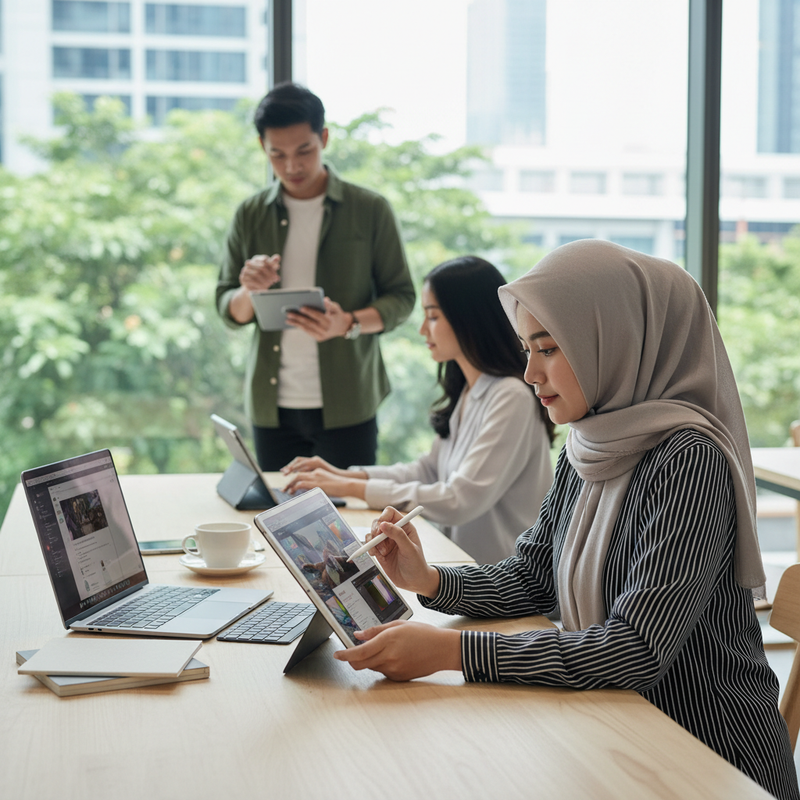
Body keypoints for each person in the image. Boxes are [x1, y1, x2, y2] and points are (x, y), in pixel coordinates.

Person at [331, 240, 800, 800]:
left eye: (548, 348)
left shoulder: (687, 460)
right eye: (527, 348)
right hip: (615, 727)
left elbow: (635, 649)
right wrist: (428, 579)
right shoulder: (590, 443)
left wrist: (452, 652)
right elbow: (533, 575)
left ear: (616, 341)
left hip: (705, 757)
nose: (530, 372)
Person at [281, 256, 555, 564]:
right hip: (463, 568)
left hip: (502, 583)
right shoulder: (470, 390)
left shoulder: (511, 396)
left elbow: (459, 499)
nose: (423, 330)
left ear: (469, 318)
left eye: (434, 317)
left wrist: (349, 487)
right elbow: (427, 471)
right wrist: (343, 474)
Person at [215, 82, 415, 470]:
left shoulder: (370, 209)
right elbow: (229, 309)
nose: (292, 166)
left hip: (348, 402)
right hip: (272, 406)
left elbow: (402, 298)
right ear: (263, 148)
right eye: (278, 155)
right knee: (275, 517)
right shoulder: (250, 214)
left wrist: (349, 323)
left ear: (323, 138)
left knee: (348, 524)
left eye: (304, 150)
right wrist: (246, 290)